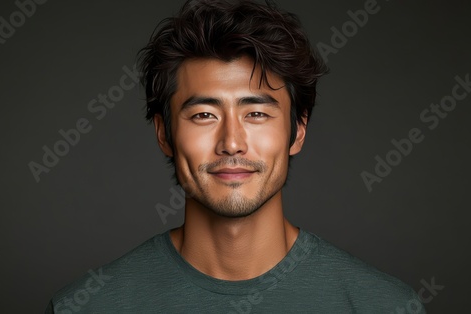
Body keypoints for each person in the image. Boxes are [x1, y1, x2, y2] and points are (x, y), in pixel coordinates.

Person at [46, 0, 425, 313]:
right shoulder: (83, 307)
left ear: (298, 130)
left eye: (256, 114)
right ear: (164, 134)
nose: (231, 142)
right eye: (204, 115)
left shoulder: (385, 306)